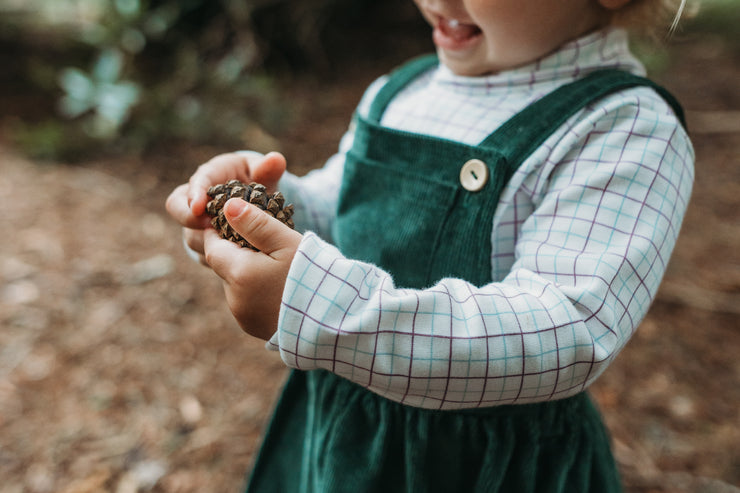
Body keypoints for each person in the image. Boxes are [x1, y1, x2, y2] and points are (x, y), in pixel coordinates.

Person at [166, 0, 694, 491]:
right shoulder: (401, 92)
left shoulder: (622, 129)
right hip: (344, 430)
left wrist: (324, 306)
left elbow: (564, 330)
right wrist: (257, 215)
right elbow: (342, 210)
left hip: (484, 463)